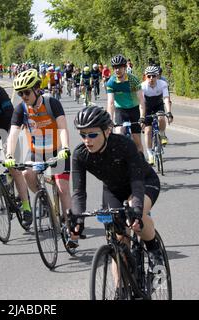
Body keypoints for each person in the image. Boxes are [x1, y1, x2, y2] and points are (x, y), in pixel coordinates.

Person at [70, 106, 163, 270]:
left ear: (107, 131)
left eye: (92, 134)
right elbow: (78, 191)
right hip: (113, 190)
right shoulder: (80, 154)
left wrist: (136, 209)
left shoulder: (124, 145)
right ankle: (120, 290)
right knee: (118, 240)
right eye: (83, 135)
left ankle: (153, 249)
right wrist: (78, 219)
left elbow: (136, 181)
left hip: (143, 182)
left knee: (136, 214)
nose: (87, 140)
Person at [4, 69, 72, 241]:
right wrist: (9, 155)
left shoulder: (51, 103)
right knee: (27, 173)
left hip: (58, 151)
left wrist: (65, 147)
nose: (23, 96)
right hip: (37, 152)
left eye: (26, 92)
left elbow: (63, 127)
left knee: (62, 187)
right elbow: (13, 134)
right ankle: (43, 200)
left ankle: (71, 229)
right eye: (20, 93)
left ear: (37, 88)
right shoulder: (21, 109)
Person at [106, 54, 146, 153]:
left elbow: (141, 100)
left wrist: (142, 117)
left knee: (137, 141)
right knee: (119, 133)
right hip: (120, 109)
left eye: (119, 67)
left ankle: (141, 162)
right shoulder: (111, 82)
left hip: (134, 108)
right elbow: (110, 103)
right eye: (115, 67)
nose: (117, 70)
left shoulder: (133, 80)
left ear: (124, 67)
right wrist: (109, 120)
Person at [142, 66, 173, 164]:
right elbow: (141, 104)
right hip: (147, 107)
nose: (151, 78)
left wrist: (169, 112)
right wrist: (142, 117)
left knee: (161, 117)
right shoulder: (142, 86)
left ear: (157, 76)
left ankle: (162, 134)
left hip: (158, 104)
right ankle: (150, 154)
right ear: (145, 76)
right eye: (149, 76)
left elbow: (166, 99)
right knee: (147, 131)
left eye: (154, 76)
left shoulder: (162, 84)